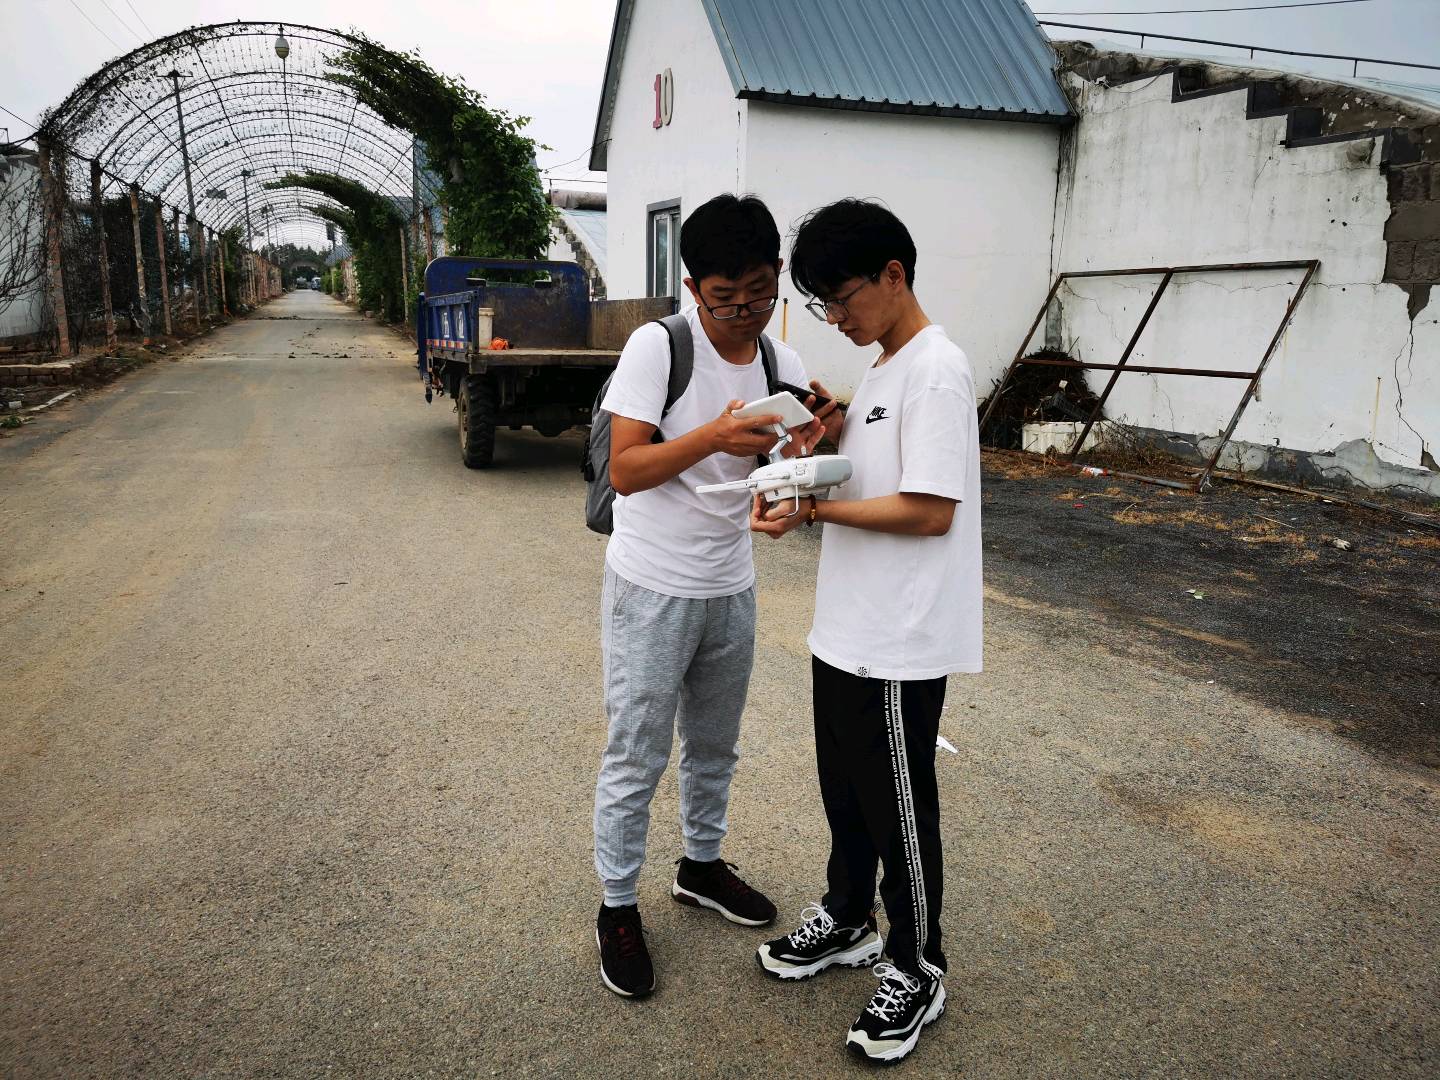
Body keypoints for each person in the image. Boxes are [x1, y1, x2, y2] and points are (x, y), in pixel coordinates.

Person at [749, 199, 982, 1064]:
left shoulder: (937, 370)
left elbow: (928, 510)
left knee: (898, 807)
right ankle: (849, 914)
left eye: (842, 298)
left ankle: (918, 966)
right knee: (845, 791)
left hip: (899, 638)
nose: (836, 318)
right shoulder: (884, 369)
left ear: (894, 274)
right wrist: (827, 440)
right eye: (822, 305)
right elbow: (875, 473)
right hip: (846, 626)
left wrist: (813, 512)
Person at [593, 193, 822, 999]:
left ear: (777, 276)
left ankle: (700, 865)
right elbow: (626, 469)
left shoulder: (780, 360)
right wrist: (711, 437)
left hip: (732, 585)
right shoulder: (659, 347)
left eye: (760, 294)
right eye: (725, 299)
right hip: (652, 583)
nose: (743, 313)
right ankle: (617, 904)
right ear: (694, 289)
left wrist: (798, 467)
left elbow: (779, 470)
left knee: (716, 745)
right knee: (637, 751)